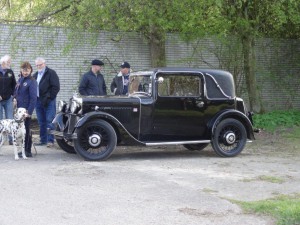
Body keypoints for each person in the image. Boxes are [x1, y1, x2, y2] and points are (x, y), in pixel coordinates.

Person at [33, 57, 60, 147]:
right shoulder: (35, 75)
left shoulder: (51, 73)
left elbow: (56, 87)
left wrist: (50, 97)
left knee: (49, 120)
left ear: (44, 64)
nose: (39, 66)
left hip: (49, 101)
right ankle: (43, 140)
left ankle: (50, 141)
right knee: (41, 122)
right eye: (37, 65)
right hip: (38, 101)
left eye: (40, 65)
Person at [14, 62, 37, 157]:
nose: (25, 72)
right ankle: (22, 150)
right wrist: (14, 98)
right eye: (24, 70)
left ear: (31, 70)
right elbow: (16, 91)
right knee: (22, 131)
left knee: (27, 130)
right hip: (19, 110)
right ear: (21, 70)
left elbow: (33, 98)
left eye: (27, 70)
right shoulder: (20, 79)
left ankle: (28, 151)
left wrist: (29, 112)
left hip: (26, 111)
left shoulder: (32, 81)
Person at [0, 55, 16, 145]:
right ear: (3, 63)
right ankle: (1, 139)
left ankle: (11, 139)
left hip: (8, 99)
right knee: (0, 120)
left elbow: (14, 85)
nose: (10, 63)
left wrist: (14, 97)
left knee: (10, 119)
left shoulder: (10, 72)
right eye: (8, 62)